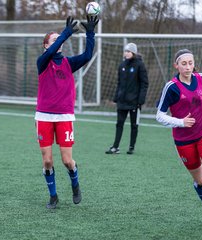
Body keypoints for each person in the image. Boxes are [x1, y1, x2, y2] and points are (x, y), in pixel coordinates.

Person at [156, 49, 202, 234]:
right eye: (183, 63)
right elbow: (159, 116)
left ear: (194, 64)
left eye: (190, 63)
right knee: (200, 181)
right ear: (176, 66)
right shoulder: (172, 87)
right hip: (184, 141)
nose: (187, 67)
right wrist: (180, 122)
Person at [35, 15, 99, 209]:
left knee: (67, 161)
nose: (58, 43)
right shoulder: (43, 61)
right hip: (44, 116)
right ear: (46, 46)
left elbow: (88, 56)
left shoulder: (68, 63)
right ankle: (53, 196)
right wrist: (65, 33)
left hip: (64, 116)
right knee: (47, 161)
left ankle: (75, 184)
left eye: (59, 40)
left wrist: (90, 32)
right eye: (53, 40)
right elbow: (53, 49)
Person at [105, 43, 149, 154]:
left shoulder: (140, 65)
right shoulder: (122, 65)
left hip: (134, 102)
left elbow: (144, 84)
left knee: (134, 125)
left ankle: (131, 147)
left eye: (129, 51)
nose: (126, 53)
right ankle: (115, 147)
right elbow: (119, 83)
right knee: (119, 123)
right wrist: (116, 97)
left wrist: (141, 100)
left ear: (134, 53)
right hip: (122, 101)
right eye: (125, 51)